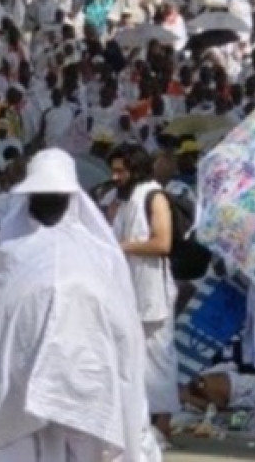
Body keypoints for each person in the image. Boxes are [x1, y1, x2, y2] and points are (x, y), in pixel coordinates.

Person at [0, 148, 159, 461]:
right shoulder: (12, 251)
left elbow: (121, 324)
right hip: (19, 391)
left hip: (86, 385)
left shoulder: (98, 254)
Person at [107, 143, 180, 446]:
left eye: (120, 171)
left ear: (135, 170)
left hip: (152, 290)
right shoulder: (124, 199)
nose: (115, 177)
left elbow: (163, 243)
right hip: (129, 288)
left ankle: (162, 426)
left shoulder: (154, 196)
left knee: (159, 357)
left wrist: (124, 246)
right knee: (131, 358)